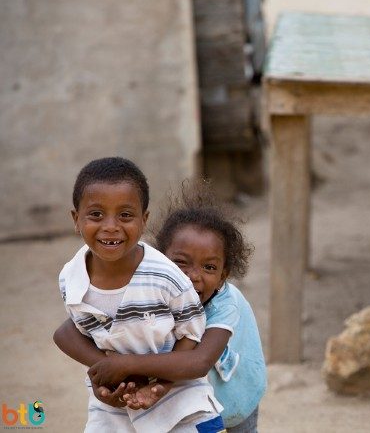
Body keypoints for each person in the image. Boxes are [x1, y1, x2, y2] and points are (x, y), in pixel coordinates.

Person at [57, 180, 267, 432]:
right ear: (161, 262)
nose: (193, 276)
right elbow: (66, 332)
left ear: (224, 275)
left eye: (209, 267)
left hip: (237, 391)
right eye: (181, 263)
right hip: (185, 396)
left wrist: (125, 366)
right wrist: (105, 370)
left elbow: (198, 362)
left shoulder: (226, 304)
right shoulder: (156, 286)